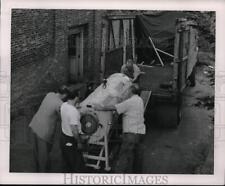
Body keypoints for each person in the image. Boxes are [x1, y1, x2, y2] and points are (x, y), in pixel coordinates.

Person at [93, 83, 146, 173]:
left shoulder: (130, 102)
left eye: (128, 90)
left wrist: (100, 107)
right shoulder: (139, 100)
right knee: (138, 157)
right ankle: (137, 177)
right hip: (140, 133)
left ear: (131, 91)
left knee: (124, 157)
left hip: (131, 133)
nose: (127, 91)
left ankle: (118, 178)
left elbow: (114, 107)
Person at [29, 85, 69, 172]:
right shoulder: (59, 104)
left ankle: (37, 173)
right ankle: (44, 177)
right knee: (44, 157)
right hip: (44, 132)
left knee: (36, 154)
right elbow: (63, 117)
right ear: (65, 95)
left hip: (34, 125)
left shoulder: (50, 94)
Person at [60, 89, 86, 173]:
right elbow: (74, 130)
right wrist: (79, 142)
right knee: (77, 166)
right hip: (71, 140)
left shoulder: (64, 105)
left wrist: (77, 109)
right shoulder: (73, 111)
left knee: (67, 165)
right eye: (78, 96)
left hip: (63, 137)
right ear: (76, 98)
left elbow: (69, 114)